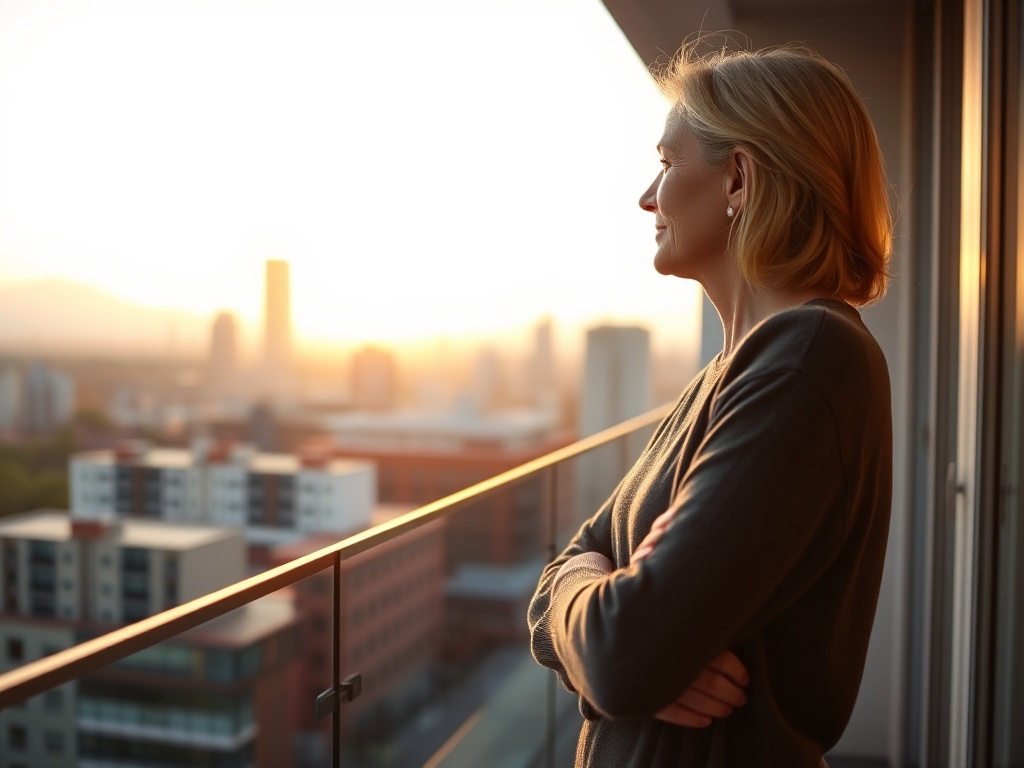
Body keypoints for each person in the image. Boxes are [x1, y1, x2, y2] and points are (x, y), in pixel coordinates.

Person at [527, 39, 893, 768]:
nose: (645, 196)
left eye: (665, 163)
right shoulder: (725, 374)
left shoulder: (808, 362)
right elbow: (560, 583)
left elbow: (625, 650)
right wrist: (594, 606)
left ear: (738, 178)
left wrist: (618, 638)